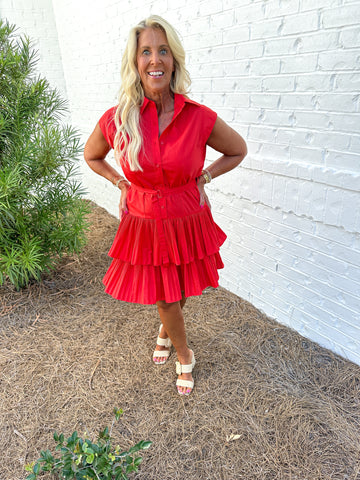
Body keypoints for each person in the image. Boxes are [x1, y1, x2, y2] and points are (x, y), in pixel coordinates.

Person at [84, 15, 247, 396]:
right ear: (135, 62)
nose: (154, 59)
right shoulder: (117, 119)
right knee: (166, 297)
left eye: (162, 51)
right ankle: (185, 353)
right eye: (145, 52)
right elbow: (93, 156)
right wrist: (120, 182)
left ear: (173, 60)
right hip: (144, 220)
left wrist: (204, 177)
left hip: (188, 216)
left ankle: (164, 330)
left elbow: (237, 150)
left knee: (182, 286)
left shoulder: (199, 117)